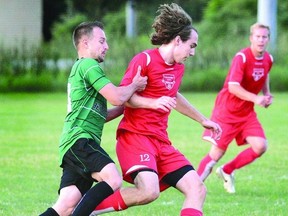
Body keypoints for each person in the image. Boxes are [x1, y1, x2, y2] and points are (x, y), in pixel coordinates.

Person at [90, 3, 222, 216]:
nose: (193, 52)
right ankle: (85, 210)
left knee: (197, 188)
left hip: (161, 141)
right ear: (178, 40)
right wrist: (152, 102)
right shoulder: (145, 59)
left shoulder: (178, 67)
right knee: (149, 191)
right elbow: (124, 97)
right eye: (192, 45)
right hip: (136, 138)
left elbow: (173, 95)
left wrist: (202, 119)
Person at [39, 21, 147, 216]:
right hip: (80, 140)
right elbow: (116, 96)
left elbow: (100, 115)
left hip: (72, 144)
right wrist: (134, 85)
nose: (107, 46)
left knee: (66, 205)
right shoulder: (88, 65)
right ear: (86, 43)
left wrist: (125, 108)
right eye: (102, 41)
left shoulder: (79, 68)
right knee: (113, 179)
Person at [197, 23, 273, 193]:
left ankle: (227, 170)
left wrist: (267, 94)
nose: (261, 40)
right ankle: (193, 186)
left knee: (260, 146)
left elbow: (265, 73)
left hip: (246, 113)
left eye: (264, 37)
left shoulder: (269, 58)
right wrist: (256, 98)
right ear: (251, 38)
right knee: (216, 154)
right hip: (227, 112)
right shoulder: (242, 57)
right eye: (258, 36)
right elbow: (233, 87)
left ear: (268, 38)